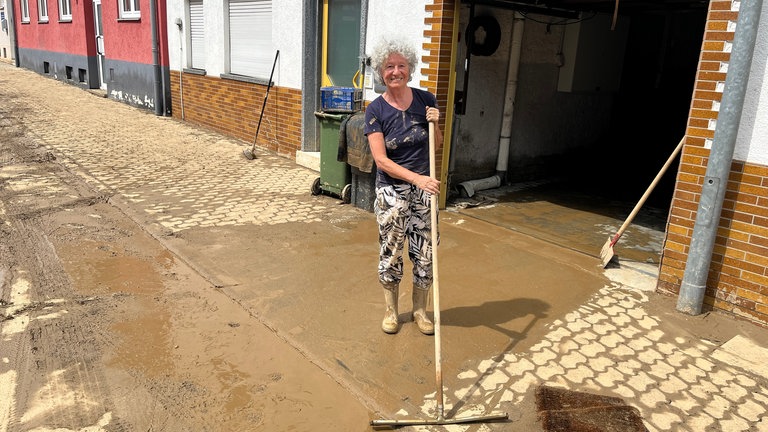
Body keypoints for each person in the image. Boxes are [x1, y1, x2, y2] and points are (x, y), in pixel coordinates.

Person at [364, 39, 443, 335]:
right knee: (392, 250)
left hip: (425, 191)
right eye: (389, 67)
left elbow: (437, 146)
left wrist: (437, 123)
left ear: (410, 69)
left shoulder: (426, 100)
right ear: (381, 72)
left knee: (425, 253)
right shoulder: (375, 110)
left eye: (401, 66)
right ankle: (392, 311)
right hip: (392, 192)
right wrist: (416, 179)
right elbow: (381, 160)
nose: (395, 71)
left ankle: (421, 311)